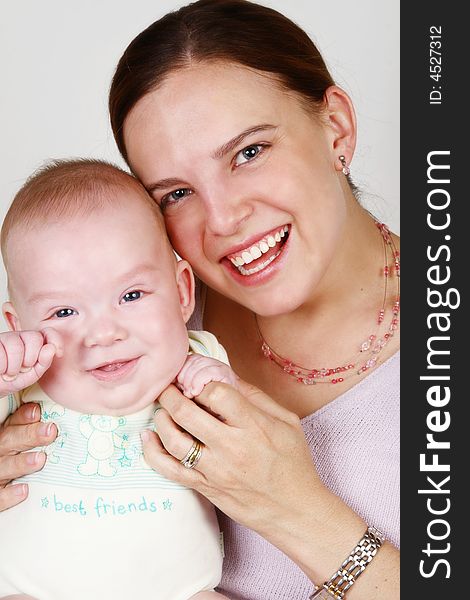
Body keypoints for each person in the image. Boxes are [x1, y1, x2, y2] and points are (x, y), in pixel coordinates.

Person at [0, 1, 400, 598]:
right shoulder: (137, 316)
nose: (224, 219)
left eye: (249, 152)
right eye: (177, 192)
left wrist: (296, 510)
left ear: (336, 127)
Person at [0, 158, 234, 600]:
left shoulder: (196, 362)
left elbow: (244, 438)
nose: (105, 334)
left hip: (180, 592)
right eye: (63, 312)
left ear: (183, 293)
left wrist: (217, 385)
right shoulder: (21, 386)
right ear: (18, 325)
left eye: (131, 295)